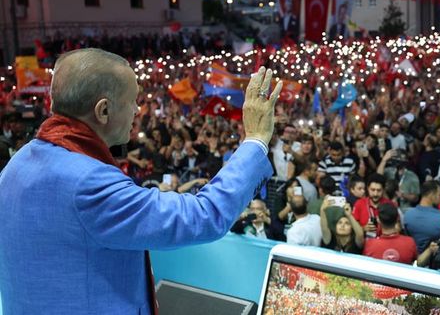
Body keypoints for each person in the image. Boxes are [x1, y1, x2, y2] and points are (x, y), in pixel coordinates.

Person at [0, 49, 283, 314]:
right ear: (103, 111)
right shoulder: (88, 183)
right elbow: (204, 215)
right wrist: (256, 139)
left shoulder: (17, 164)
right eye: (132, 100)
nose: (137, 110)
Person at [403, 180, 440, 253]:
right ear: (431, 195)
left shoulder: (407, 215)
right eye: (439, 194)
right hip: (433, 260)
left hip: (411, 256)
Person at [352, 173, 395, 238]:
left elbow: (398, 227)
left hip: (385, 242)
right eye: (372, 190)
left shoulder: (390, 205)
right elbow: (353, 227)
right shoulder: (359, 204)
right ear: (368, 188)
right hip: (365, 242)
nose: (375, 194)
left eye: (379, 190)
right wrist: (363, 229)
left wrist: (385, 227)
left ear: (383, 190)